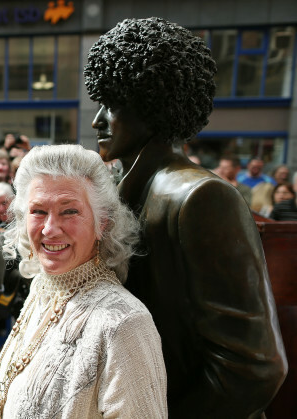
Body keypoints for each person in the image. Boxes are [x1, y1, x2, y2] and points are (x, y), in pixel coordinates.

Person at [84, 17, 287, 416]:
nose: (97, 120)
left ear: (153, 104)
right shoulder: (121, 186)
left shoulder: (201, 196)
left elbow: (254, 366)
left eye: (113, 103)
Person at [0, 145, 166, 417]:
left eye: (69, 211)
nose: (50, 229)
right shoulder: (41, 286)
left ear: (103, 223)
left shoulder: (124, 323)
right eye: (38, 211)